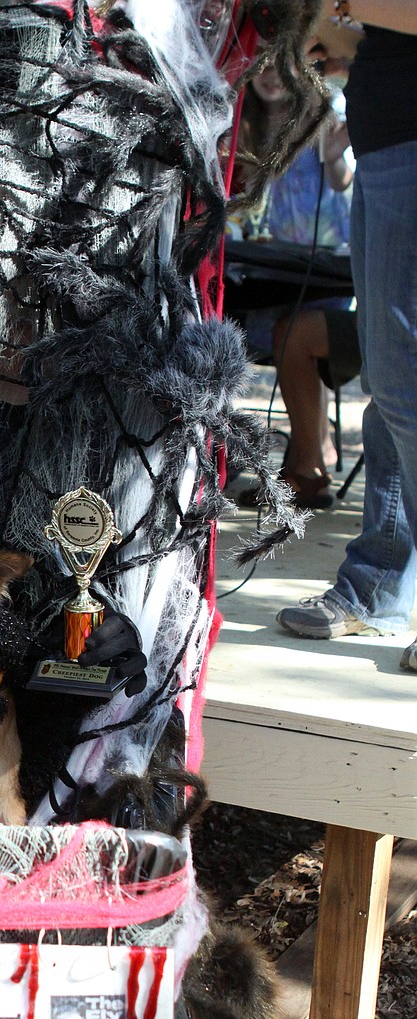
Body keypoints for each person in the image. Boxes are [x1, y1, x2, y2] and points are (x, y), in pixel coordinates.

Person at [276, 4, 417, 673]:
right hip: (388, 134)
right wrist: (348, 40)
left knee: (402, 383)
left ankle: (381, 581)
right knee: (392, 395)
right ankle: (381, 582)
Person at [230, 55, 355, 508]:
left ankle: (311, 455)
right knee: (262, 320)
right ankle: (307, 454)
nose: (269, 75)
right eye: (260, 65)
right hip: (263, 261)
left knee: (301, 321)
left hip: (318, 263)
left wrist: (336, 154)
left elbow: (341, 181)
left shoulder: (321, 118)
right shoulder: (244, 125)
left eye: (281, 65)